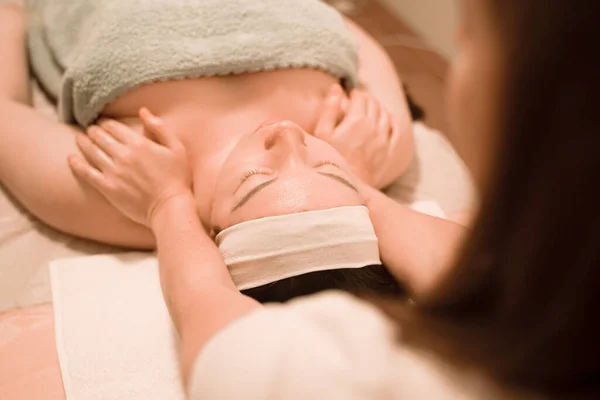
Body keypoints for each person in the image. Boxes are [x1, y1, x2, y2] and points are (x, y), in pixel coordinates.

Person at [66, 0, 600, 398]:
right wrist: (354, 183)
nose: (287, 138)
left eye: (471, 41)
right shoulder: (549, 312)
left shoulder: (309, 376)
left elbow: (201, 302)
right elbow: (482, 275)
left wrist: (166, 203)